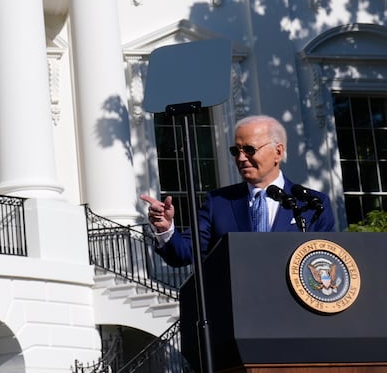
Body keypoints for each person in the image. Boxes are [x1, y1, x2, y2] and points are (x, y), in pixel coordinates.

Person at [140, 114, 336, 268]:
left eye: (249, 149)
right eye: (236, 151)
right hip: (238, 310)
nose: (241, 158)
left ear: (278, 152)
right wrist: (166, 229)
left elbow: (324, 262)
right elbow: (183, 254)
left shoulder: (311, 203)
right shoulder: (219, 203)